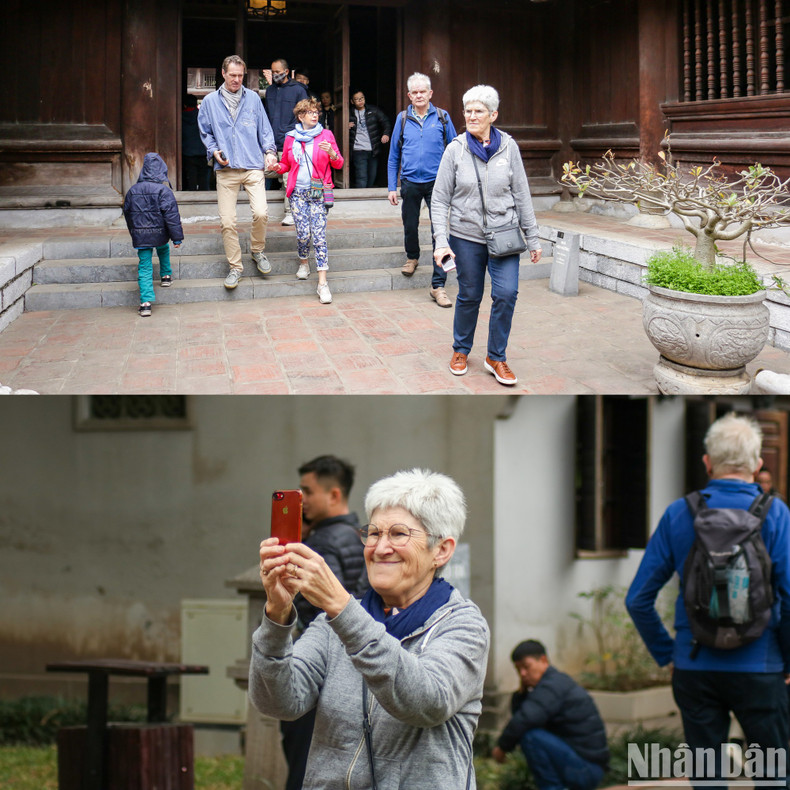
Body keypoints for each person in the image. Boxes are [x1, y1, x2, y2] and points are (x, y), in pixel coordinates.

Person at [250, 468, 490, 789]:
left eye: (399, 534)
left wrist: (340, 606)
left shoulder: (463, 625)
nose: (379, 548)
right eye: (373, 533)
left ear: (442, 550)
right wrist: (277, 615)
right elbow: (278, 703)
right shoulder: (332, 624)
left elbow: (426, 703)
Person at [626, 412, 790, 789]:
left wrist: (669, 654)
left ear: (707, 462)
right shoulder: (776, 514)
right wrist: (786, 659)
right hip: (762, 666)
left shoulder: (678, 514)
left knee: (708, 776)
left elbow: (638, 600)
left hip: (695, 664)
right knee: (772, 775)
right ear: (758, 464)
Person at [432, 84, 542, 387]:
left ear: (493, 114)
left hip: (505, 234)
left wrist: (533, 238)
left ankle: (496, 356)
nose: (471, 115)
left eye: (478, 111)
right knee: (469, 295)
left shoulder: (509, 148)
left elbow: (522, 194)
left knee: (506, 294)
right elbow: (440, 199)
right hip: (466, 236)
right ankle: (460, 350)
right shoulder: (455, 149)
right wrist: (442, 241)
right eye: (467, 110)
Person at [280, 454, 368, 790]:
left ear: (334, 495)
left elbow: (322, 610)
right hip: (353, 671)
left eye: (307, 491)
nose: (301, 501)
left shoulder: (322, 544)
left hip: (319, 672)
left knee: (305, 767)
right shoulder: (363, 537)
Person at [198, 55, 277, 290]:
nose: (236, 79)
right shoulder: (210, 101)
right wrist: (213, 152)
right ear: (223, 74)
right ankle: (235, 267)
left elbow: (264, 129)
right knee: (227, 221)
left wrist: (270, 151)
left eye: (240, 75)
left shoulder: (253, 98)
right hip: (226, 169)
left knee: (262, 213)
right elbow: (205, 132)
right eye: (232, 75)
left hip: (253, 164)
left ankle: (257, 250)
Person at [492, 640, 609, 790]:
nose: (523, 674)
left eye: (526, 667)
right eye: (518, 669)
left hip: (587, 769)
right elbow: (521, 715)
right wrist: (521, 693)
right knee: (529, 734)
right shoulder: (551, 683)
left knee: (531, 737)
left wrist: (502, 748)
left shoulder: (552, 687)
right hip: (584, 766)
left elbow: (524, 720)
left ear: (543, 660)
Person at [387, 72, 457, 307]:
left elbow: (456, 151)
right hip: (409, 182)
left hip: (438, 183)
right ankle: (412, 256)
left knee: (440, 231)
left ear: (430, 93)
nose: (418, 95)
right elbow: (394, 154)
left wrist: (456, 182)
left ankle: (438, 285)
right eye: (414, 92)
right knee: (410, 224)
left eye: (422, 91)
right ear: (409, 95)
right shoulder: (403, 118)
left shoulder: (443, 117)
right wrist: (391, 187)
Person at [271, 98, 343, 304]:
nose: (315, 115)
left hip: (318, 192)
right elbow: (286, 164)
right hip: (298, 193)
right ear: (301, 116)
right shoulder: (290, 138)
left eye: (316, 112)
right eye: (310, 112)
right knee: (303, 233)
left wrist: (331, 153)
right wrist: (277, 167)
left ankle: (322, 284)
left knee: (319, 235)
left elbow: (339, 163)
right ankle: (304, 262)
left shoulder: (326, 135)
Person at [122, 152, 184, 318]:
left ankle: (145, 303)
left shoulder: (132, 191)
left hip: (141, 235)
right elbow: (172, 217)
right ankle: (165, 275)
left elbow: (127, 214)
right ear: (161, 171)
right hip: (160, 233)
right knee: (163, 248)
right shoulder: (164, 191)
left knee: (145, 266)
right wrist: (177, 238)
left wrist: (134, 232)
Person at [263, 58, 309, 226]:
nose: (274, 74)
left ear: (286, 72)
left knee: (289, 177)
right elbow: (266, 115)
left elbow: (304, 116)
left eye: (277, 72)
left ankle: (291, 212)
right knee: (261, 171)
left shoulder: (298, 90)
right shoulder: (270, 91)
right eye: (272, 71)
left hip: (290, 141)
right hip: (270, 143)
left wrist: (293, 134)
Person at [349, 91, 391, 188]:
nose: (360, 101)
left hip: (373, 149)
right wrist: (345, 125)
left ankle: (366, 197)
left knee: (372, 175)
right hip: (358, 149)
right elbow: (338, 124)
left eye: (362, 98)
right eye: (356, 99)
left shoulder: (374, 110)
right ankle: (360, 199)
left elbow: (385, 122)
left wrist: (386, 134)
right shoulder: (348, 113)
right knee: (361, 176)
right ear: (352, 101)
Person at [182, 94, 211, 191]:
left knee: (191, 175)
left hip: (187, 152)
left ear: (184, 105)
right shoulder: (202, 116)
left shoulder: (179, 117)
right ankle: (204, 193)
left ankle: (191, 192)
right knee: (203, 175)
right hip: (202, 151)